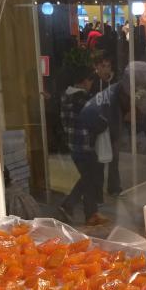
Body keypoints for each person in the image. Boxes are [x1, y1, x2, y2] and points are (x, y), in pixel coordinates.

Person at [80, 61, 146, 198]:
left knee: (110, 157)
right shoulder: (115, 98)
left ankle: (111, 189)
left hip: (100, 123)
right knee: (100, 160)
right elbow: (115, 127)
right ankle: (99, 195)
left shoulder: (119, 91)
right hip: (94, 125)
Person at [59, 64, 107, 226]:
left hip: (73, 144)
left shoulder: (66, 96)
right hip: (85, 144)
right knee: (89, 178)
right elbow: (97, 121)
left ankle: (91, 214)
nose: (91, 83)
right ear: (85, 81)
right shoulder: (81, 99)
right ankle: (68, 205)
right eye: (90, 80)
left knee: (88, 179)